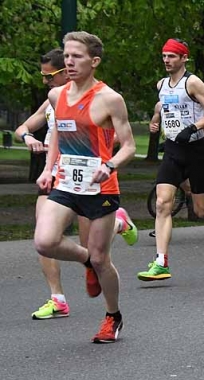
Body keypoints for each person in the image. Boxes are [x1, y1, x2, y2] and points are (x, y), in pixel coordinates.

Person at [16, 48, 136, 320]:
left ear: (94, 62)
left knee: (100, 258)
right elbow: (56, 130)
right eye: (67, 55)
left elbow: (127, 145)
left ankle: (112, 315)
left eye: (76, 56)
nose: (70, 61)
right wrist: (48, 169)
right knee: (44, 241)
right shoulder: (56, 96)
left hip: (99, 185)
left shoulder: (110, 98)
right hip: (64, 181)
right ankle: (72, 278)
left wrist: (109, 165)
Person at [141, 38, 204, 282]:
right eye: (164, 56)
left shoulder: (192, 82)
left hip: (196, 150)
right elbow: (162, 105)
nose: (166, 61)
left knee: (201, 210)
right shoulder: (162, 84)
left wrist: (192, 128)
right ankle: (161, 261)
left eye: (172, 56)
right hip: (173, 150)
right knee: (162, 203)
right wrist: (155, 120)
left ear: (183, 58)